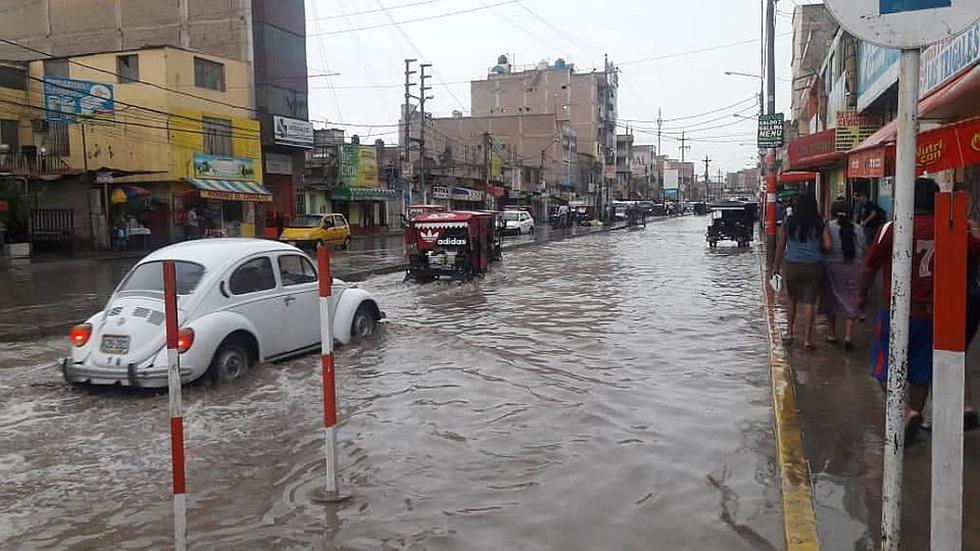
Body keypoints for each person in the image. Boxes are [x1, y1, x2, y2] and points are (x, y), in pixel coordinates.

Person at [857, 178, 980, 444]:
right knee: (922, 372)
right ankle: (916, 414)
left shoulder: (893, 228)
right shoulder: (949, 228)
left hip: (897, 312)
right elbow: (975, 249)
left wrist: (861, 296)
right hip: (934, 314)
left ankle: (905, 412)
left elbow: (869, 267)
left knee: (883, 370)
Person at [772, 190, 831, 351]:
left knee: (792, 299)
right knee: (810, 302)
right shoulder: (820, 221)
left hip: (792, 265)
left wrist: (776, 266)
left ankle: (789, 333)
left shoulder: (789, 221)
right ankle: (807, 340)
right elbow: (828, 245)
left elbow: (780, 245)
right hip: (814, 266)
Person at [821, 200, 865, 350]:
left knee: (831, 299)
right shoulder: (858, 229)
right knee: (851, 298)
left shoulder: (828, 227)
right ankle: (848, 335)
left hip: (831, 267)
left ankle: (832, 333)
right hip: (853, 267)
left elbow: (824, 246)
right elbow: (862, 248)